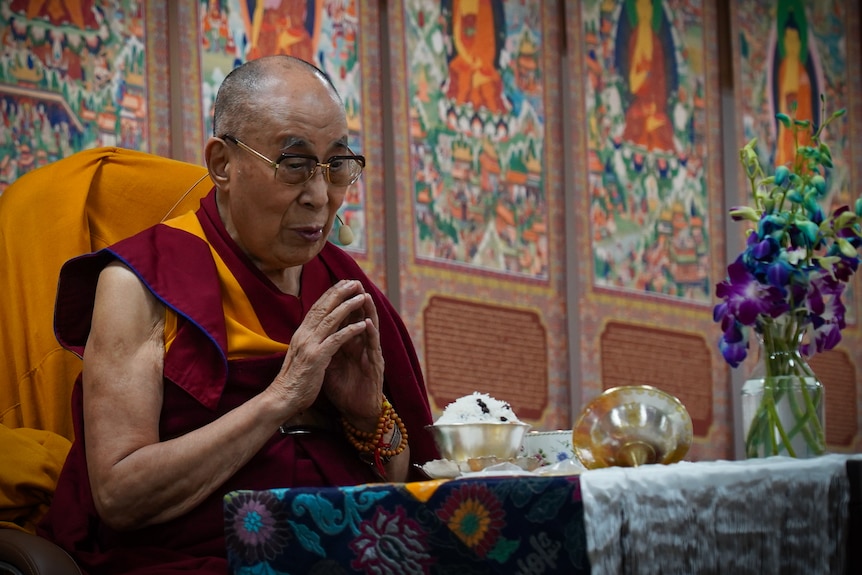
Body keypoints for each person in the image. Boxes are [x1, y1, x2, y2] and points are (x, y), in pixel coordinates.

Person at [37, 55, 439, 574]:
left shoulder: (342, 287)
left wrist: (367, 420)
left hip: (343, 552)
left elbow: (404, 484)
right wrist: (281, 399)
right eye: (295, 166)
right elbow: (120, 494)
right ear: (223, 164)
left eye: (337, 166)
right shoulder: (142, 284)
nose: (320, 197)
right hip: (200, 559)